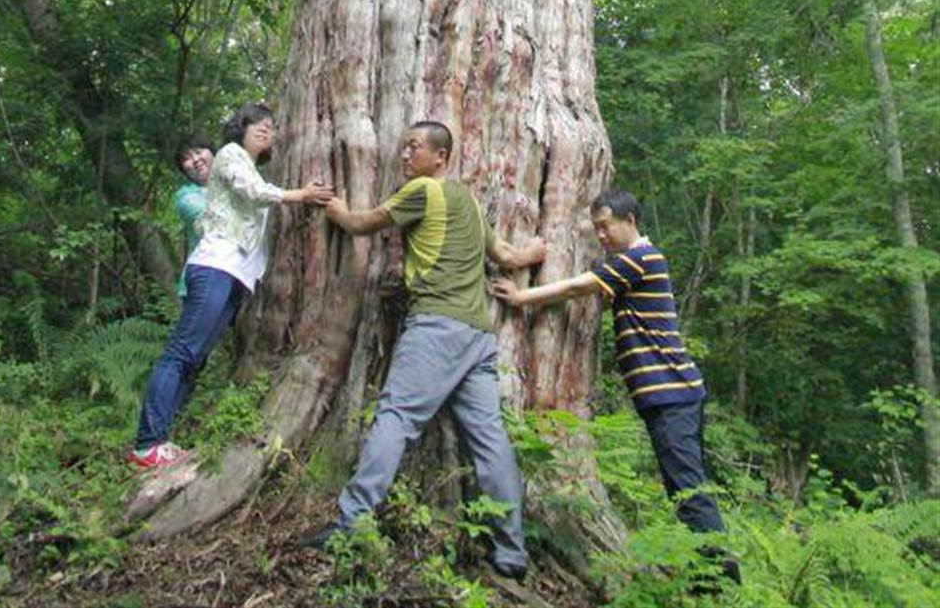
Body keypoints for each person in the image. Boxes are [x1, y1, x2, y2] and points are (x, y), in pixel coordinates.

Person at [299, 120, 545, 583]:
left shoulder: (423, 192)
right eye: (404, 146)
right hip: (477, 336)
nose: (405, 155)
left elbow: (360, 224)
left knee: (395, 417)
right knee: (490, 441)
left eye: (415, 147)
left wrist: (336, 207)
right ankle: (512, 552)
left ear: (441, 158)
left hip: (436, 328)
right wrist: (538, 250)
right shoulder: (469, 202)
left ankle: (350, 523)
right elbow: (508, 257)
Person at [492, 187, 740, 585]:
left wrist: (522, 297)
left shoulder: (640, 259)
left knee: (688, 488)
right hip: (672, 394)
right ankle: (709, 575)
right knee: (684, 484)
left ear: (630, 220)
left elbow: (578, 288)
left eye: (606, 227)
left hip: (672, 393)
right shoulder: (637, 263)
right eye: (596, 229)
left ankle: (720, 584)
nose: (601, 236)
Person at [130, 101, 333, 469]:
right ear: (239, 127)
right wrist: (300, 195)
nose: (265, 129)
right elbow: (252, 192)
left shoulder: (249, 167)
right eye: (257, 123)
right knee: (182, 352)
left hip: (235, 274)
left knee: (195, 359)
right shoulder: (231, 155)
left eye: (271, 126)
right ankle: (147, 443)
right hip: (214, 266)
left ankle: (162, 440)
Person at [172, 134, 214, 298]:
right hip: (203, 278)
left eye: (198, 151)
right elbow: (213, 223)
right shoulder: (186, 196)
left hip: (239, 278)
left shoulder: (237, 182)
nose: (196, 159)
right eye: (187, 158)